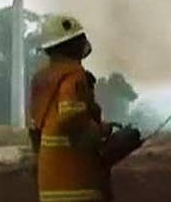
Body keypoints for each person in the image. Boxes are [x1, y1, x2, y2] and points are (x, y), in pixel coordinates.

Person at [29, 14, 113, 202]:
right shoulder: (74, 77)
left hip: (49, 183)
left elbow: (35, 129)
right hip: (76, 184)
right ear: (69, 45)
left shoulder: (41, 80)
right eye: (79, 39)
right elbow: (71, 118)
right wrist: (102, 131)